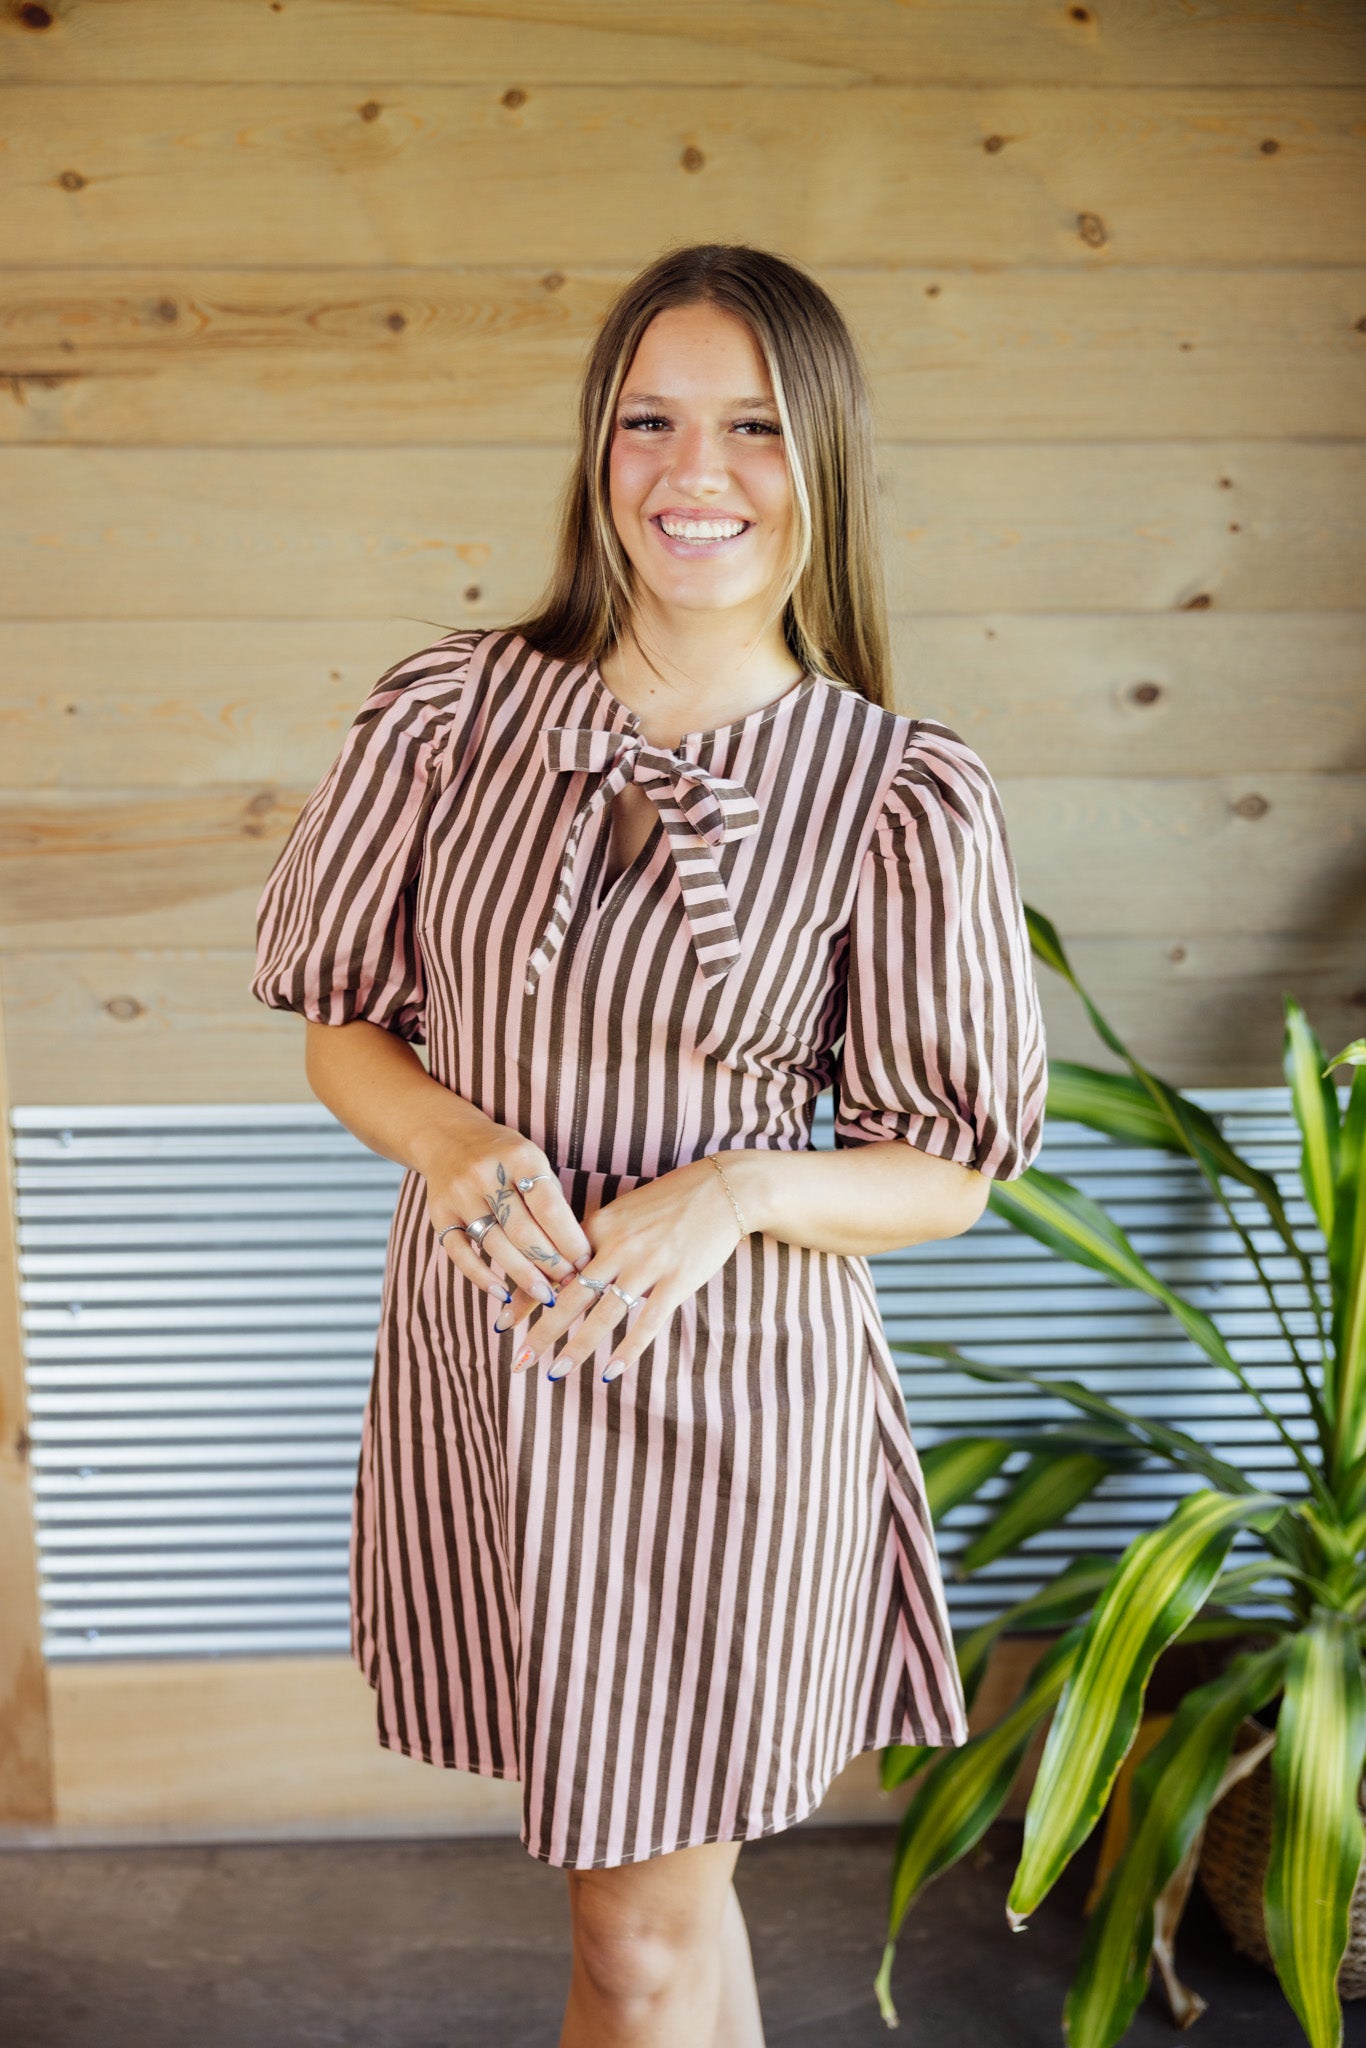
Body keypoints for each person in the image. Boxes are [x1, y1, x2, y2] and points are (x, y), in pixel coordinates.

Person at [251, 241, 1047, 2048]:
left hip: (737, 1412)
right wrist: (450, 1139)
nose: (696, 475)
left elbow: (951, 1167)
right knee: (670, 1922)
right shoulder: (450, 714)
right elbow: (342, 1027)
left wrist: (742, 1185)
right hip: (492, 1373)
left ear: (820, 461)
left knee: (637, 1941)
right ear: (595, 449)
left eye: (754, 428)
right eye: (650, 423)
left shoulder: (902, 788)